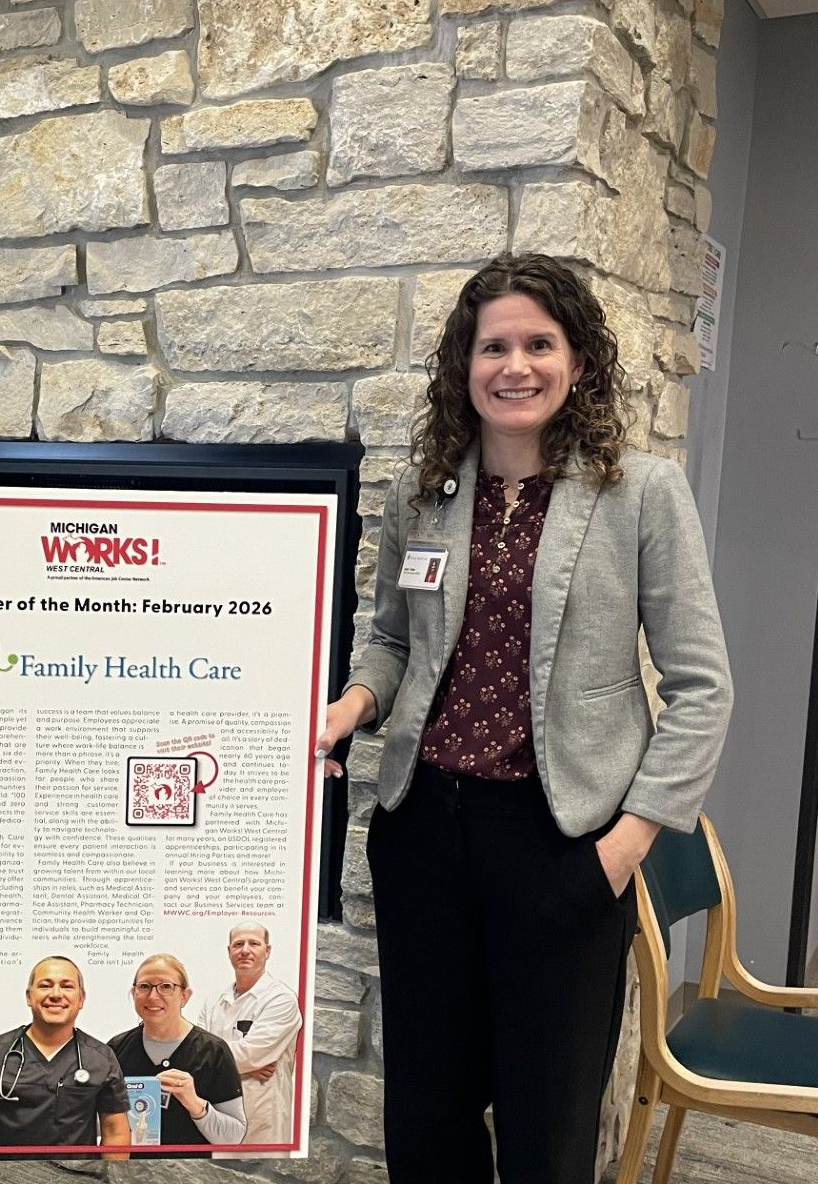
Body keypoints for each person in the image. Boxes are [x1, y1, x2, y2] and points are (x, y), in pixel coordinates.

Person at [315, 252, 733, 1184]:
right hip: (423, 836)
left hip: (561, 845)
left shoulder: (642, 494)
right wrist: (351, 705)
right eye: (493, 345)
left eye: (540, 344)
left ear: (577, 360)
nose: (517, 365)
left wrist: (620, 852)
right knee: (426, 1123)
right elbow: (391, 642)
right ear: (464, 367)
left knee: (547, 1132)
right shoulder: (423, 494)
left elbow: (704, 688)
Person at [0, 956, 129, 1160]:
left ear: (81, 999)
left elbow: (115, 1132)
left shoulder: (100, 1058)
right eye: (45, 985)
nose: (55, 994)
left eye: (67, 986)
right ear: (28, 996)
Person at [107, 953, 245, 1157]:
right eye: (144, 986)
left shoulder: (213, 1052)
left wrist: (195, 1104)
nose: (153, 996)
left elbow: (233, 1137)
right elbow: (101, 1124)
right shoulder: (115, 1050)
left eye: (165, 986)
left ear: (184, 996)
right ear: (134, 993)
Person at [195, 922, 302, 1148]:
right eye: (238, 944)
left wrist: (225, 1062)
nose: (245, 950)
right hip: (216, 1118)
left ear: (267, 950)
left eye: (254, 943)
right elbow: (194, 1055)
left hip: (263, 1120)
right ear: (229, 951)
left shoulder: (281, 999)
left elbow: (247, 1055)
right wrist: (247, 1067)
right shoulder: (213, 1000)